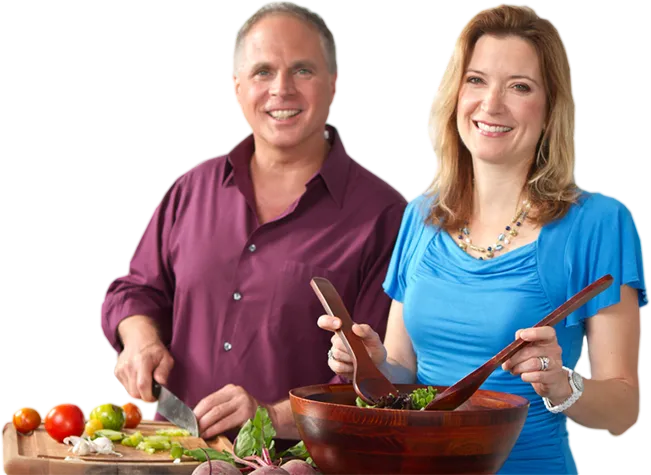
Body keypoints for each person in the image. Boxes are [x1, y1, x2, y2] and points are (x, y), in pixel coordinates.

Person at [318, 4, 648, 474]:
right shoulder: (421, 214)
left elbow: (619, 409)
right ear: (456, 94)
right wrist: (371, 366)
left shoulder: (598, 223)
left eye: (519, 86)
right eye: (476, 80)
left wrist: (561, 383)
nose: (491, 105)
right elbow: (404, 376)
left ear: (550, 105)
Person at [99, 0, 406, 446]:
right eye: (263, 72)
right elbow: (136, 290)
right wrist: (140, 337)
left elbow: (380, 381)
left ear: (335, 84)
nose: (281, 89)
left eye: (302, 70)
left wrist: (271, 417)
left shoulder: (383, 216)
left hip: (299, 464)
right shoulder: (192, 189)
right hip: (172, 452)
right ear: (236, 86)